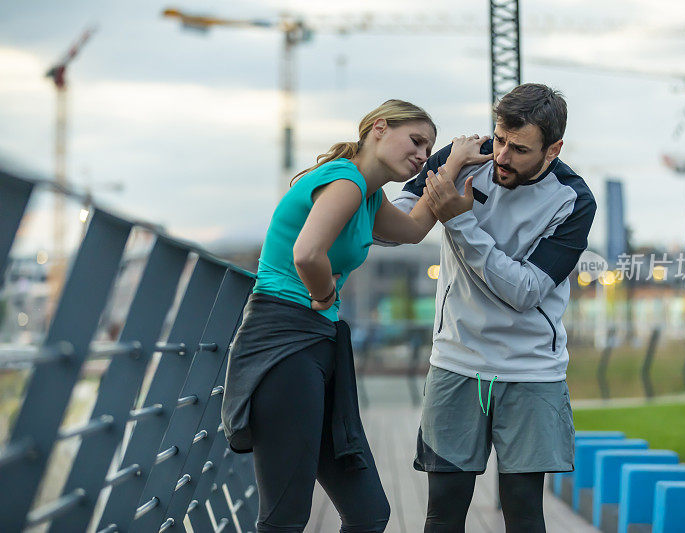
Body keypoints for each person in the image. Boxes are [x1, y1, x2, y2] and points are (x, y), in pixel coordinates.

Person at [221, 99, 488, 533]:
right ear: (379, 128)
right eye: (416, 141)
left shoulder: (367, 195)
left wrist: (453, 166)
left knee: (368, 513)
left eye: (429, 148)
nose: (422, 155)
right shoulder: (345, 181)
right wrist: (326, 293)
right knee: (284, 516)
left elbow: (414, 228)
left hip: (318, 347)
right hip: (282, 343)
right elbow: (307, 254)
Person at [383, 83, 597, 532]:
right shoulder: (461, 160)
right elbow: (395, 224)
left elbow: (525, 290)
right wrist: (361, 177)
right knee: (442, 511)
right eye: (499, 139)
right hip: (456, 362)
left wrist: (458, 220)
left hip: (532, 370)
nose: (501, 156)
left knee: (523, 511)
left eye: (520, 149)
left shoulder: (573, 200)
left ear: (553, 149)